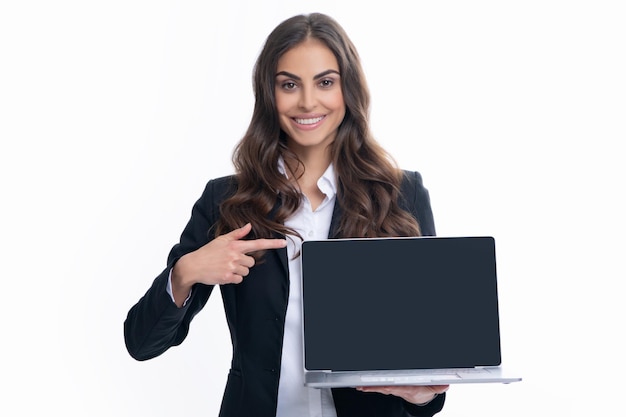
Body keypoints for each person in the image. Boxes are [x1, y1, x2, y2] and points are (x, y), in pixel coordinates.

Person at [124, 12, 449, 417]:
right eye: (289, 84)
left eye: (325, 82)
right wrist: (186, 271)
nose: (308, 101)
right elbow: (141, 343)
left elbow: (430, 383)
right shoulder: (227, 200)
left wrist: (422, 394)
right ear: (269, 93)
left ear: (348, 89)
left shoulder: (400, 195)